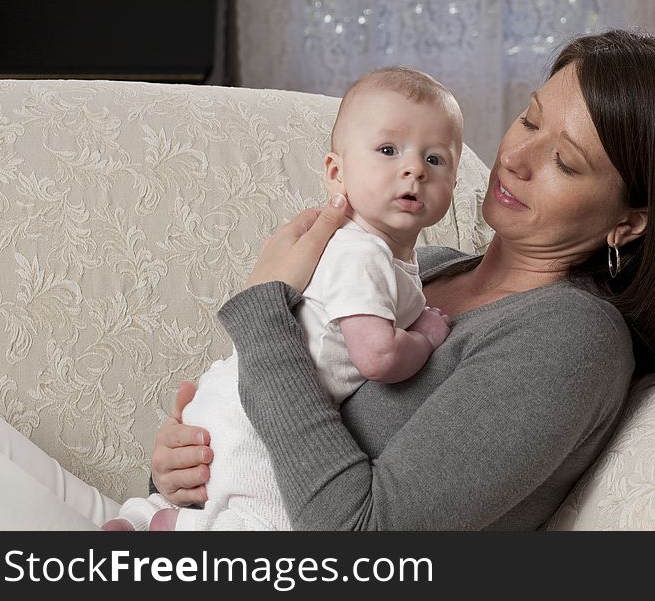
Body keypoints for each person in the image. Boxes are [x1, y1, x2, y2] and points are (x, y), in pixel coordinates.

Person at [0, 29, 655, 531]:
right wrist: (186, 460)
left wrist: (262, 309)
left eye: (566, 160)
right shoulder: (427, 268)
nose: (515, 156)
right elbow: (289, 423)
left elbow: (361, 536)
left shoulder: (565, 337)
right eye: (529, 118)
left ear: (630, 221)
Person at [102, 67, 464, 531]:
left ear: (455, 182)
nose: (413, 168)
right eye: (388, 150)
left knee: (223, 493)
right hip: (262, 410)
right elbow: (376, 356)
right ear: (337, 172)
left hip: (236, 389)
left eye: (435, 159)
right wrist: (425, 337)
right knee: (269, 523)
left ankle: (140, 519)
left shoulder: (377, 254)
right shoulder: (362, 253)